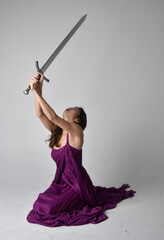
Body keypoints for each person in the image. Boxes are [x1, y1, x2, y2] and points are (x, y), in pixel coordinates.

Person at [26, 71, 136, 227]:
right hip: (60, 183)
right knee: (39, 205)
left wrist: (36, 91)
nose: (69, 107)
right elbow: (40, 114)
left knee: (48, 209)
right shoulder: (57, 132)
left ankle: (80, 198)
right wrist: (39, 88)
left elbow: (53, 117)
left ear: (77, 120)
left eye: (73, 109)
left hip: (76, 186)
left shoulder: (77, 132)